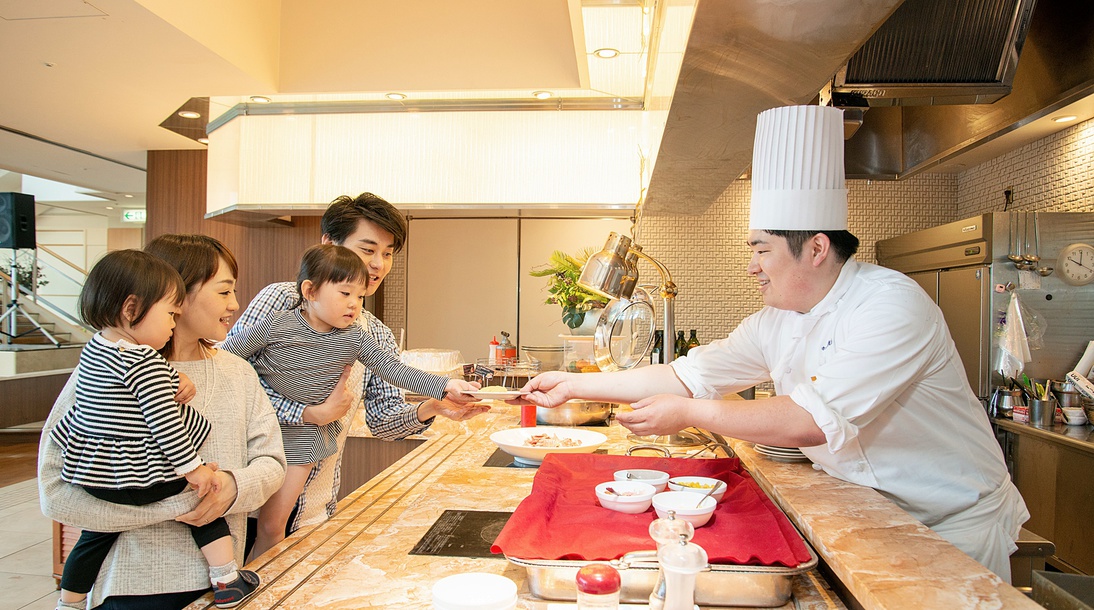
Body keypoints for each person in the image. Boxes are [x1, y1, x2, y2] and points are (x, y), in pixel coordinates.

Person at [520, 105, 1029, 581]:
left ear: (815, 248)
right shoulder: (776, 320)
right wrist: (572, 384)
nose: (752, 265)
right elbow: (686, 375)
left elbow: (809, 421)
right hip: (869, 509)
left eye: (761, 250)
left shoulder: (891, 305)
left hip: (954, 521)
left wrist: (691, 413)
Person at [39, 234, 286, 609]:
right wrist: (177, 503)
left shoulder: (238, 373)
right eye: (223, 292)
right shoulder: (103, 372)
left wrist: (228, 488)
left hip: (220, 588)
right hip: (127, 588)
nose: (235, 304)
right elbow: (55, 492)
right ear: (175, 294)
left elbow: (272, 464)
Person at [227, 193, 489, 535]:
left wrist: (434, 406)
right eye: (367, 250)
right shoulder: (283, 300)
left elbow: (384, 421)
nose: (378, 264)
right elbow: (231, 376)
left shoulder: (373, 332)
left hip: (314, 511)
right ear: (328, 244)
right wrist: (305, 413)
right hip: (248, 501)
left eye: (387, 253)